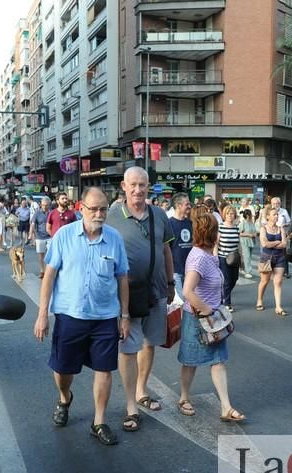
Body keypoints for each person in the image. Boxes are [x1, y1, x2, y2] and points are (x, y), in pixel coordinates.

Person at [33, 187, 130, 445]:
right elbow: (49, 276)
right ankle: (65, 397)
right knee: (63, 369)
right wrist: (43, 314)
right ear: (81, 208)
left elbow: (122, 278)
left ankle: (99, 422)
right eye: (93, 209)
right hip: (70, 315)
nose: (99, 214)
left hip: (105, 317)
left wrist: (125, 316)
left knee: (104, 369)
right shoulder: (63, 236)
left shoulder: (114, 238)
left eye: (103, 209)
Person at [107, 167, 175, 431]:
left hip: (157, 290)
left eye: (142, 185)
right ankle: (130, 405)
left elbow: (167, 251)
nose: (138, 190)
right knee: (128, 348)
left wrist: (171, 284)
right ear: (124, 186)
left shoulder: (159, 215)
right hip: (126, 295)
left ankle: (141, 390)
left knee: (149, 343)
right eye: (133, 185)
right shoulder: (111, 215)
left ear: (149, 187)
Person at [176, 210, 245, 422]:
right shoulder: (198, 258)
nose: (220, 233)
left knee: (218, 361)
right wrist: (206, 309)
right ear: (211, 233)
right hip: (198, 320)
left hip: (213, 320)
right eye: (217, 230)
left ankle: (226, 407)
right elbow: (187, 290)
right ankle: (184, 398)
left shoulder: (207, 254)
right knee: (190, 361)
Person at [255, 207, 288, 315]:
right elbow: (264, 244)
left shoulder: (281, 228)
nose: (276, 216)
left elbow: (284, 244)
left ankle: (278, 306)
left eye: (277, 214)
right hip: (266, 257)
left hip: (280, 258)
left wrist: (272, 244)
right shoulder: (263, 228)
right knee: (264, 281)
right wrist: (277, 242)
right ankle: (259, 300)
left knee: (278, 282)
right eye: (274, 214)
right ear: (268, 216)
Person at [168, 192, 193, 298]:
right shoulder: (169, 224)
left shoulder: (190, 223)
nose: (189, 206)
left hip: (191, 270)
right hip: (176, 271)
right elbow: (166, 249)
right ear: (179, 205)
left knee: (190, 302)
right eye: (187, 204)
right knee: (180, 302)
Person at [217, 205, 240, 312]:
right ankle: (227, 303)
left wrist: (242, 258)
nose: (231, 216)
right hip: (223, 256)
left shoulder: (236, 227)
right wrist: (215, 257)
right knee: (226, 281)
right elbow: (216, 244)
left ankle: (222, 296)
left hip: (234, 257)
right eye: (228, 214)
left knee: (234, 279)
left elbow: (238, 244)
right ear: (224, 215)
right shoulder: (220, 227)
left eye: (232, 214)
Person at [29, 197, 52, 279]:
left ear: (49, 205)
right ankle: (42, 271)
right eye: (43, 205)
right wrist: (30, 234)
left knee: (51, 255)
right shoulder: (37, 213)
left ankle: (49, 271)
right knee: (41, 256)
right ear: (41, 205)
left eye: (46, 205)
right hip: (39, 237)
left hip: (50, 237)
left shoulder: (52, 213)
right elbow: (33, 224)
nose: (44, 207)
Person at [270, 197, 292, 278]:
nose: (275, 205)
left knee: (283, 253)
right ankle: (271, 271)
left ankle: (285, 271)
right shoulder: (269, 211)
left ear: (280, 204)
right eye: (274, 203)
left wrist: (284, 225)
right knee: (271, 253)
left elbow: (289, 222)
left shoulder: (284, 211)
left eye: (277, 203)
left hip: (281, 233)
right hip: (271, 233)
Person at [238, 209, 258, 279]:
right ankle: (248, 272)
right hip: (245, 241)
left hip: (251, 241)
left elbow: (255, 231)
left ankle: (244, 269)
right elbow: (239, 233)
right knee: (247, 256)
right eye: (249, 215)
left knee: (249, 256)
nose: (250, 216)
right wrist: (249, 235)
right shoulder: (242, 223)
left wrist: (255, 234)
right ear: (246, 215)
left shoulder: (251, 222)